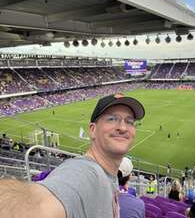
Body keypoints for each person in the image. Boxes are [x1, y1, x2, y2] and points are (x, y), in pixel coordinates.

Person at [0, 93, 145, 218]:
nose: (123, 127)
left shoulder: (107, 176)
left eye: (130, 121)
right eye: (112, 119)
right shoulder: (85, 173)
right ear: (92, 130)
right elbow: (33, 205)